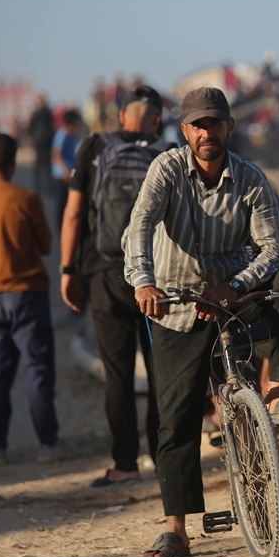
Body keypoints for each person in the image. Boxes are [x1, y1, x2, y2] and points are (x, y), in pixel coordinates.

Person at [123, 87, 279, 557]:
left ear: (229, 127)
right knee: (175, 419)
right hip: (177, 302)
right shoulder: (167, 170)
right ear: (184, 130)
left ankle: (275, 390)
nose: (206, 132)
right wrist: (143, 283)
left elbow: (275, 249)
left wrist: (234, 286)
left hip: (233, 294)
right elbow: (140, 227)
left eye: (214, 123)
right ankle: (177, 529)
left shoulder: (251, 179)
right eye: (197, 124)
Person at [60, 86, 168, 487]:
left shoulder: (93, 146)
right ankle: (163, 460)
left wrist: (68, 269)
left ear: (122, 116)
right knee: (162, 371)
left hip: (106, 273)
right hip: (157, 277)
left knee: (118, 373)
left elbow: (73, 214)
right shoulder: (168, 152)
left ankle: (124, 464)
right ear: (156, 120)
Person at [0, 133, 66, 464]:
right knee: (36, 371)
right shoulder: (26, 198)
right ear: (11, 163)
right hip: (26, 293)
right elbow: (47, 245)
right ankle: (47, 444)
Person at [50, 109, 86, 236]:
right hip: (62, 176)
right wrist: (65, 172)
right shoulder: (62, 135)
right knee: (61, 204)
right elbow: (57, 156)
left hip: (71, 174)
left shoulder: (74, 135)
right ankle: (61, 230)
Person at [27, 94, 55, 194]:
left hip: (43, 141)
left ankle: (43, 186)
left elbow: (30, 129)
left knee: (44, 165)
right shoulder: (45, 113)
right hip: (43, 141)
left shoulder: (43, 113)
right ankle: (43, 186)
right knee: (43, 165)